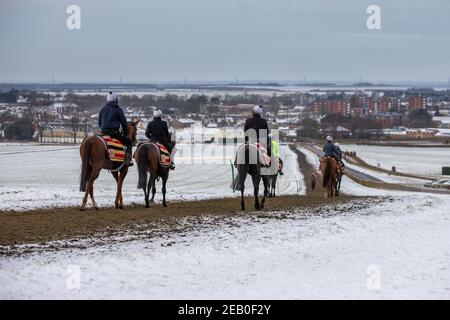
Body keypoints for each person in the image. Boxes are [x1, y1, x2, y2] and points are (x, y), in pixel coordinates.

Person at [98, 92, 133, 166]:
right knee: (129, 142)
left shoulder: (102, 109)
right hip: (114, 133)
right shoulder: (118, 109)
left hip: (103, 133)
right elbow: (123, 123)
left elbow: (99, 123)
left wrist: (102, 130)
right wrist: (126, 133)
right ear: (115, 100)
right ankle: (127, 160)